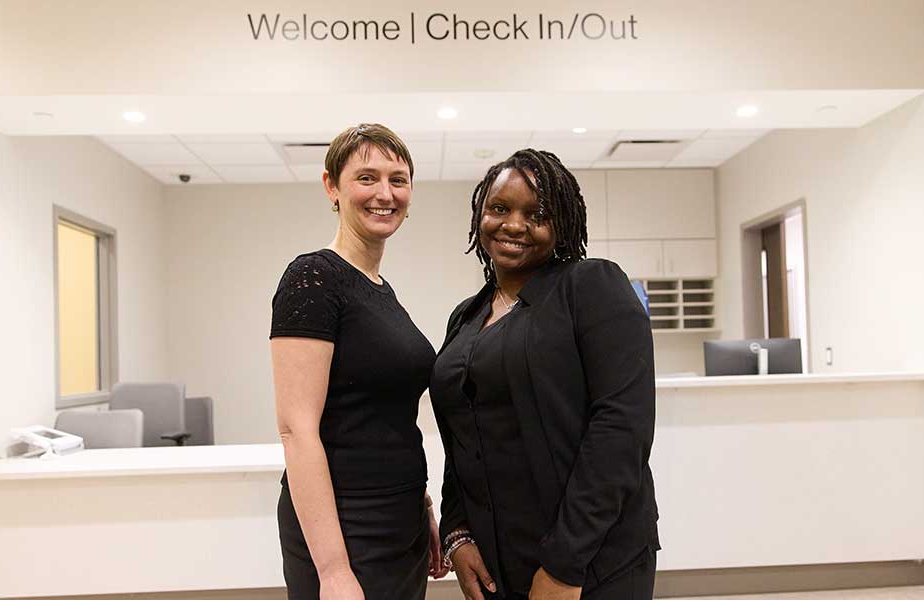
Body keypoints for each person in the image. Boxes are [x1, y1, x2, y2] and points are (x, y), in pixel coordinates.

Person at [430, 149, 660, 600]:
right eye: (499, 209)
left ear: (563, 224)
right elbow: (461, 434)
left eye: (536, 214)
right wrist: (457, 531)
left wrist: (563, 566)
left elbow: (620, 431)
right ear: (480, 214)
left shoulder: (591, 287)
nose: (513, 225)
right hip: (498, 559)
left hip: (591, 562)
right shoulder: (466, 316)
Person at [271, 123, 448, 600]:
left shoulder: (379, 289)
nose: (385, 193)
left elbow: (381, 418)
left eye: (398, 179)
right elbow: (296, 430)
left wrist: (420, 504)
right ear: (332, 186)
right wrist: (332, 570)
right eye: (367, 178)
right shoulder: (313, 278)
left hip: (400, 519)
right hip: (346, 527)